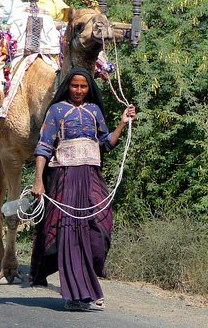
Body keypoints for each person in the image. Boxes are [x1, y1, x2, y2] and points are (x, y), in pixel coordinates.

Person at [29, 67, 135, 311]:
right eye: (74, 86)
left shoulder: (94, 110)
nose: (78, 90)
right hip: (65, 179)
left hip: (91, 177)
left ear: (89, 89)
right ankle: (76, 295)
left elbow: (106, 143)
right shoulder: (57, 111)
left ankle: (88, 284)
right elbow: (44, 147)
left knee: (99, 229)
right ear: (68, 86)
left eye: (83, 86)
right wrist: (38, 180)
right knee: (69, 233)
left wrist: (122, 123)